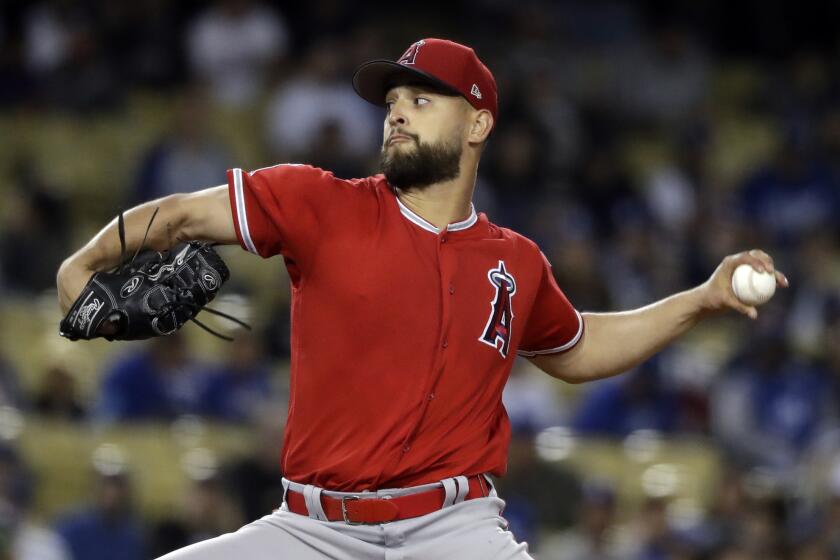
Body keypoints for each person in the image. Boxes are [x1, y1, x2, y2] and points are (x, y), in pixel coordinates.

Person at [56, 38, 788, 559]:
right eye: (392, 101)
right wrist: (84, 263)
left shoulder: (516, 261)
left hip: (454, 531)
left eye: (421, 98)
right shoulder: (319, 202)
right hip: (311, 532)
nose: (397, 113)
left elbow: (582, 348)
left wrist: (701, 297)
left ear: (478, 124)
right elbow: (183, 214)